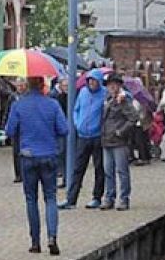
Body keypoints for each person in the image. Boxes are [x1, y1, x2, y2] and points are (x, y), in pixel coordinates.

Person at [5, 76, 68, 256]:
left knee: (31, 199)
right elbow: (64, 129)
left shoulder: (19, 105)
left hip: (28, 156)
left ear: (26, 86)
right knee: (50, 197)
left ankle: (35, 241)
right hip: (49, 155)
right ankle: (52, 237)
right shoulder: (53, 105)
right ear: (43, 86)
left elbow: (9, 131)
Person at [60, 69, 107, 210]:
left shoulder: (105, 93)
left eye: (94, 80)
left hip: (98, 136)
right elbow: (76, 109)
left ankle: (97, 197)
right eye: (90, 80)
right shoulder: (83, 93)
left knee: (99, 168)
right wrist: (77, 123)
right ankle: (71, 199)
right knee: (78, 168)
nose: (92, 83)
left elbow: (124, 97)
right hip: (83, 136)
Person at [100, 74, 139, 211]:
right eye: (110, 84)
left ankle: (123, 199)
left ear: (119, 85)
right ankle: (109, 198)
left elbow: (133, 117)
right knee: (108, 171)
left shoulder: (123, 100)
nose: (111, 86)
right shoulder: (107, 99)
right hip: (106, 141)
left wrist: (121, 131)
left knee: (122, 171)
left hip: (119, 142)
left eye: (114, 84)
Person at [50, 78, 69, 187]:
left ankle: (67, 177)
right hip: (60, 128)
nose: (66, 87)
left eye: (67, 85)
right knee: (61, 152)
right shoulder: (56, 97)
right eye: (65, 85)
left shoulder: (70, 96)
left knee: (66, 153)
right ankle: (63, 175)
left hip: (67, 127)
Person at [9, 79, 28, 183]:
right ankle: (18, 174)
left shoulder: (28, 97)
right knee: (16, 151)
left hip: (26, 127)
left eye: (22, 85)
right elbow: (8, 112)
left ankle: (25, 172)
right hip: (16, 128)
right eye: (18, 86)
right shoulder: (13, 97)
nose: (20, 88)